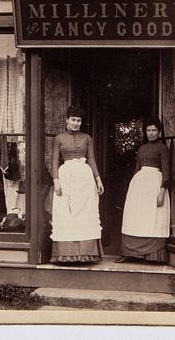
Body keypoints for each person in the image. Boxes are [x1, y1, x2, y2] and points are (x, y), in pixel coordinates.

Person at [49, 105, 104, 264]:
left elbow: (91, 159)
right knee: (66, 212)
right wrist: (56, 180)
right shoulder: (59, 138)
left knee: (85, 213)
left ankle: (87, 254)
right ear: (67, 120)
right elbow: (53, 160)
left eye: (79, 120)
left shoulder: (87, 138)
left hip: (85, 178)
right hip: (66, 177)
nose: (76, 123)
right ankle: (66, 254)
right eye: (73, 119)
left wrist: (98, 178)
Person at [120, 118, 171, 264]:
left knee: (152, 217)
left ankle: (152, 254)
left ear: (159, 132)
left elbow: (166, 171)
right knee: (136, 216)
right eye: (149, 130)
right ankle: (130, 253)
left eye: (154, 130)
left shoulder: (162, 148)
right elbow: (137, 169)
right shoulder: (142, 148)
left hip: (155, 184)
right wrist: (132, 188)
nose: (151, 133)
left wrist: (162, 190)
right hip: (139, 185)